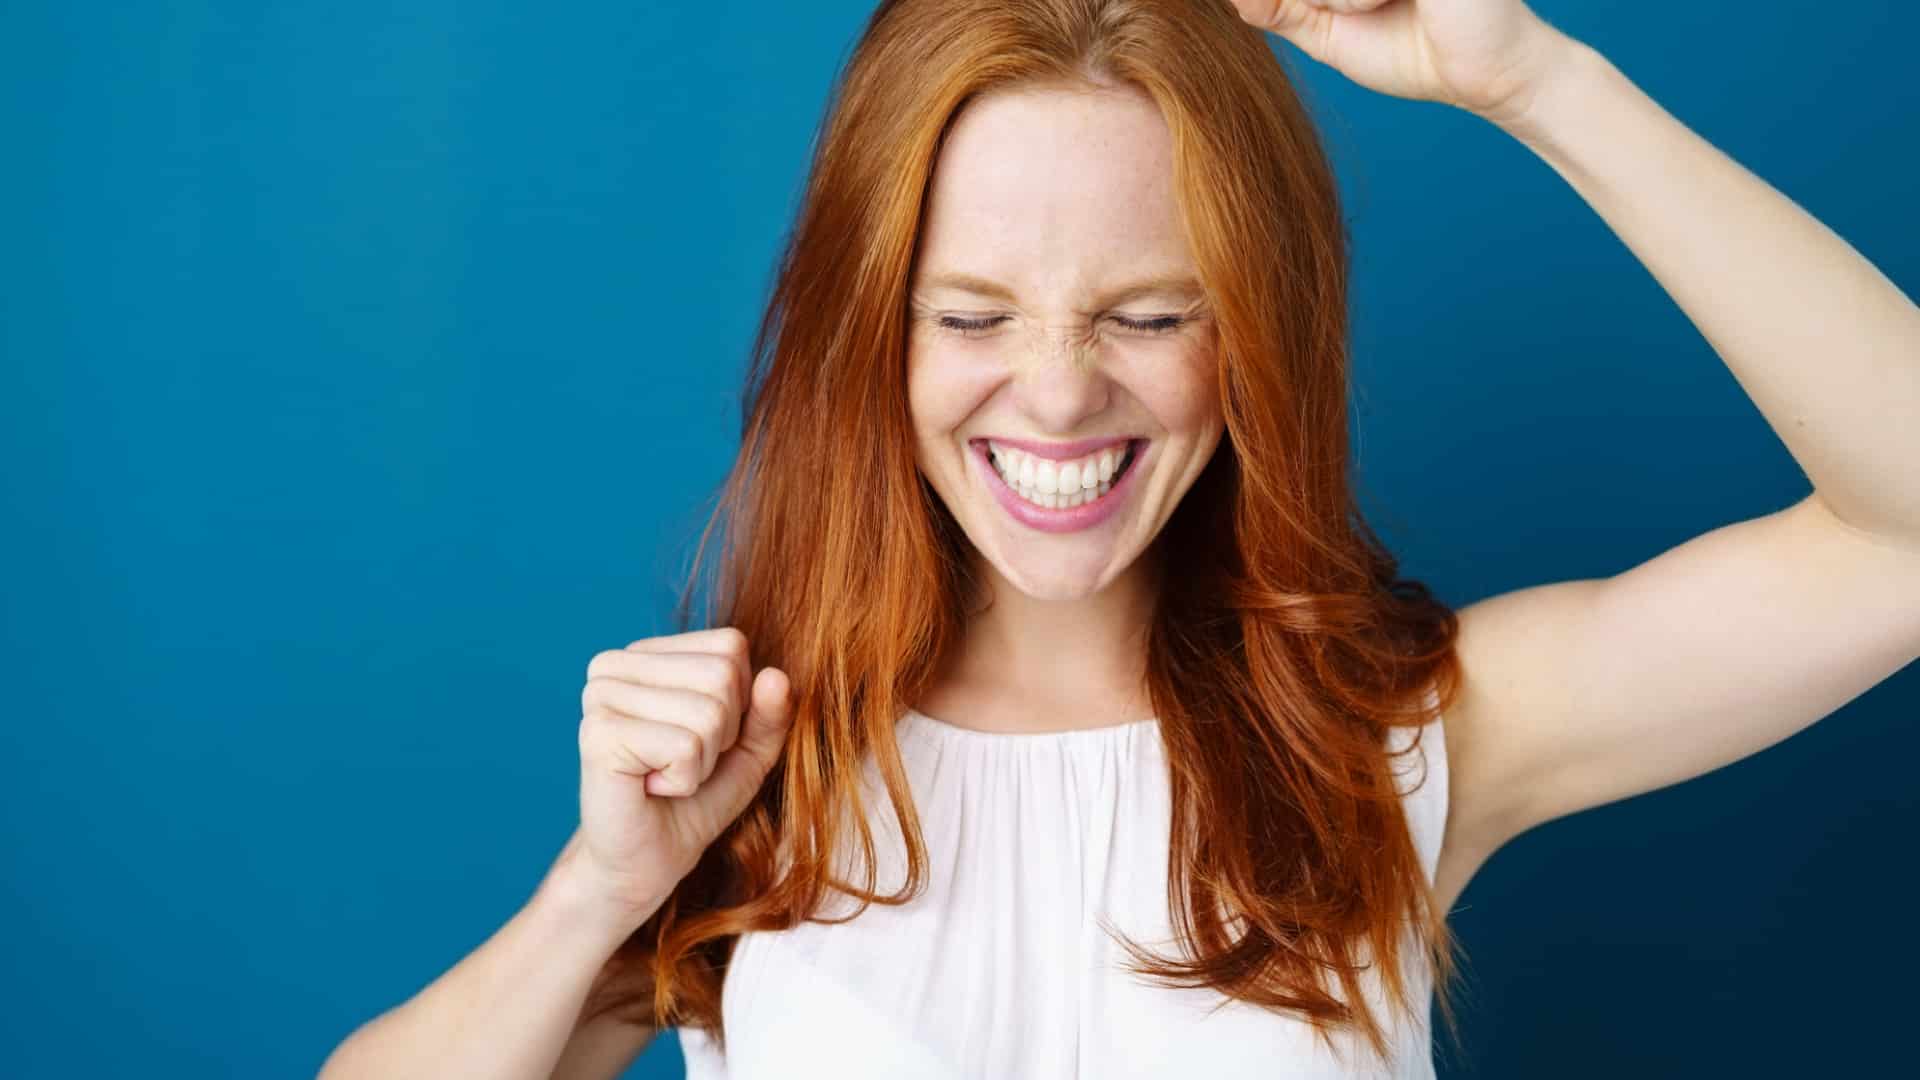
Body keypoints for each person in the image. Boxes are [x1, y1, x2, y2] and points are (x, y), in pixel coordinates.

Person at [318, 1, 1920, 1077]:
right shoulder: (750, 781)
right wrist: (599, 895)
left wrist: (1534, 78)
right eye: (973, 315)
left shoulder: (1401, 740)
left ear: (1256, 336)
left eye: (1150, 314)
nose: (1063, 395)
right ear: (868, 335)